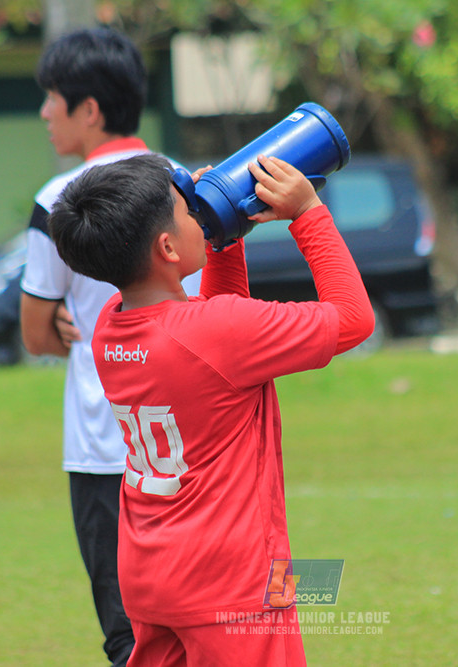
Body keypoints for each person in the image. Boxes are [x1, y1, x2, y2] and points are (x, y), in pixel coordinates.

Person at [46, 153, 374, 666]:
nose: (198, 211)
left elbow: (218, 335)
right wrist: (308, 212)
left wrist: (224, 236)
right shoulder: (215, 332)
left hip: (150, 573)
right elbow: (353, 319)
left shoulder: (111, 324)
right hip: (232, 581)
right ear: (166, 247)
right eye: (187, 209)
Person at [19, 27, 195, 667]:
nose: (45, 112)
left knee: (130, 637)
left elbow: (35, 333)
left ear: (89, 109)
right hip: (191, 441)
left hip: (105, 448)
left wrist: (70, 327)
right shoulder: (183, 184)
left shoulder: (58, 202)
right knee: (209, 620)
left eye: (53, 98)